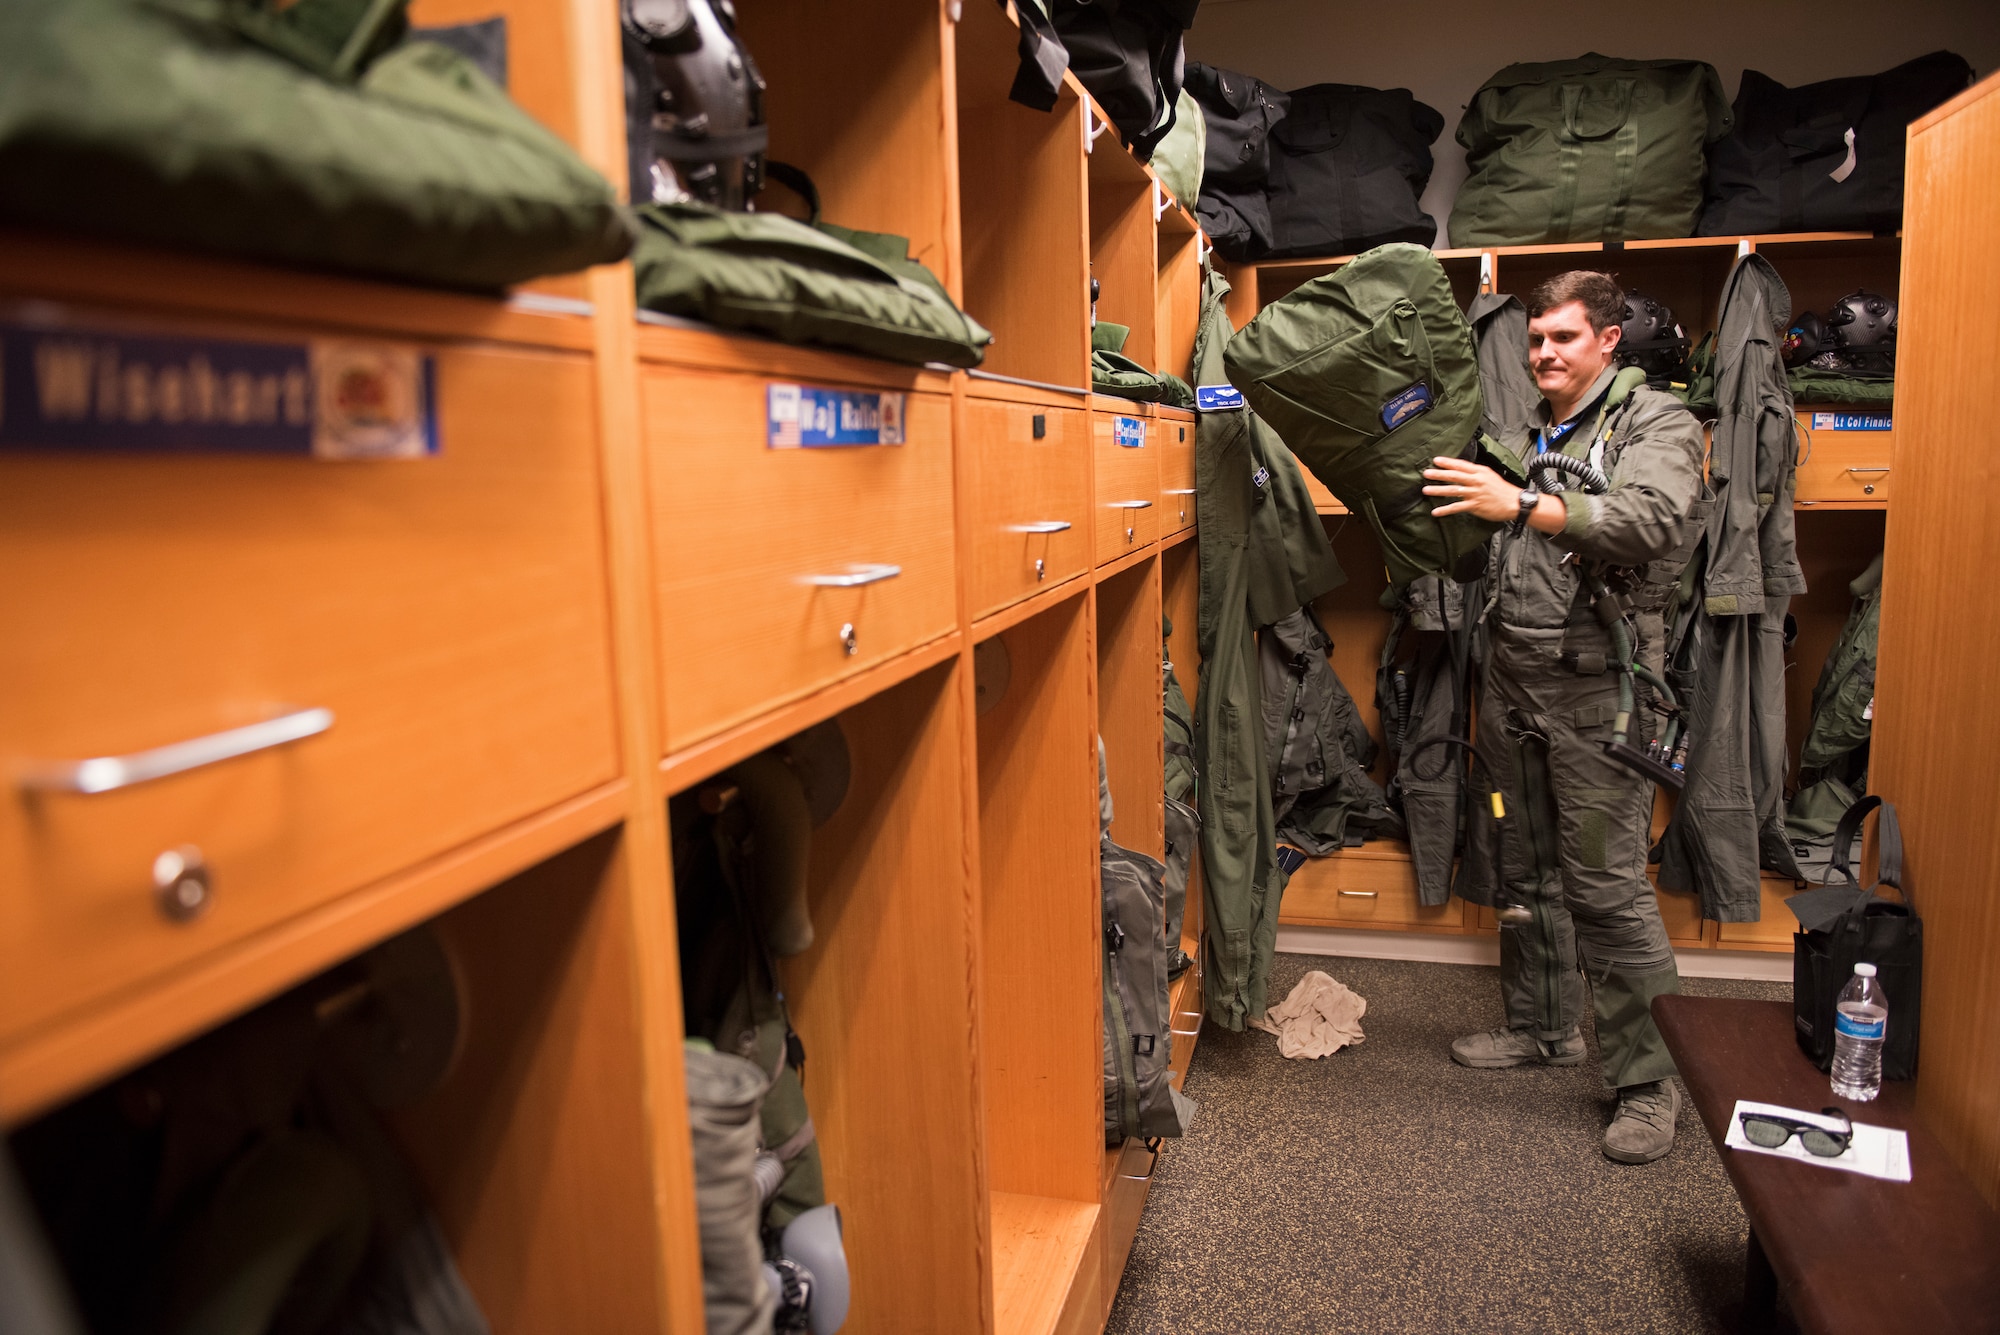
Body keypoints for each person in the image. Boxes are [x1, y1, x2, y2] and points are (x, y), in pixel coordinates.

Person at [1421, 271, 1705, 1164]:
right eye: (1536, 337)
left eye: (1565, 338)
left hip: (1597, 698)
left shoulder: (1656, 424)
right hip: (1513, 689)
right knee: (1521, 868)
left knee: (1607, 891)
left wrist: (1529, 505)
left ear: (1610, 341)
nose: (1543, 351)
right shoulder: (1520, 436)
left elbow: (1653, 518)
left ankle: (1648, 1082)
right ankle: (1544, 1027)